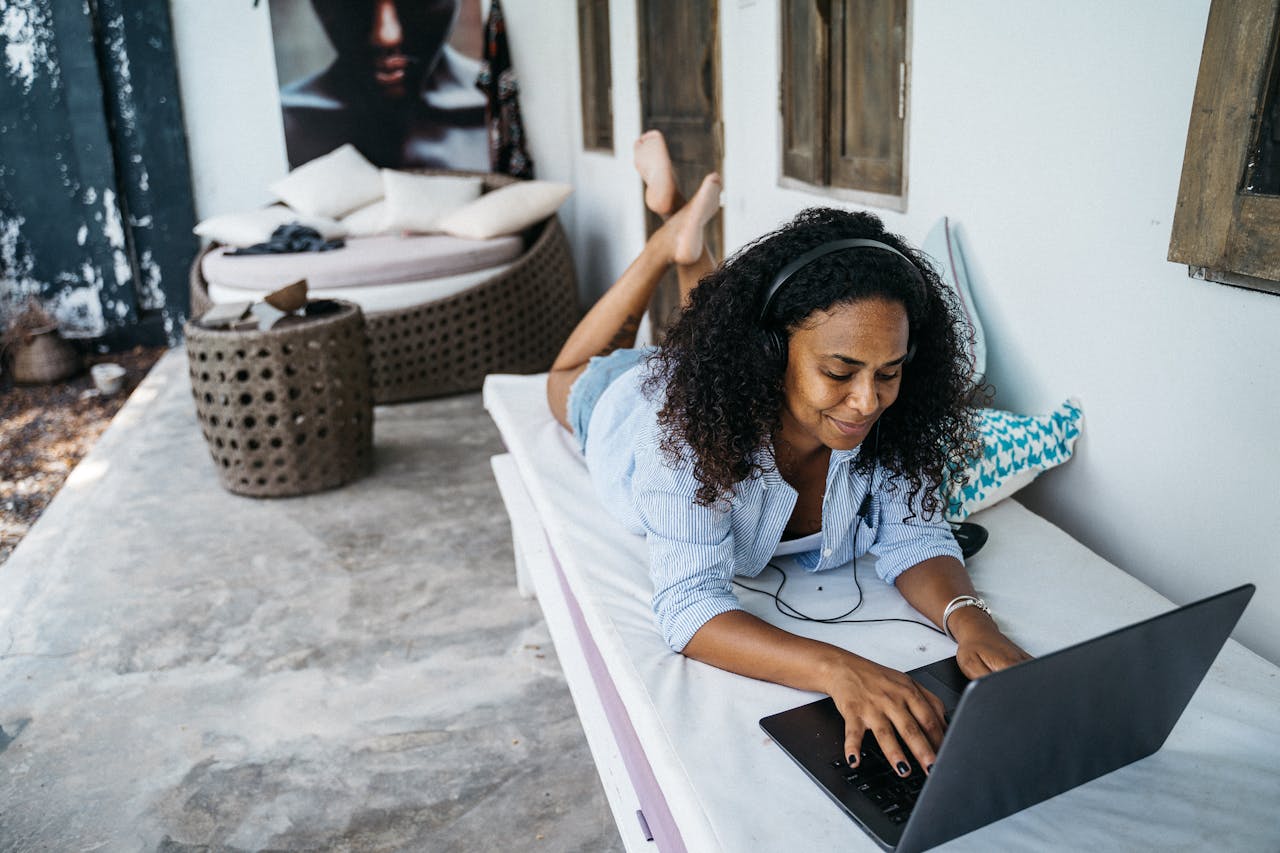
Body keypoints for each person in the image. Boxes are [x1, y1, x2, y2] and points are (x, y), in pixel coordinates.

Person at [545, 131, 1031, 779]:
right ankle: (666, 243)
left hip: (716, 369)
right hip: (628, 404)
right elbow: (690, 604)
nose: (866, 401)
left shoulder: (886, 418)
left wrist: (972, 623)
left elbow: (917, 535)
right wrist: (839, 667)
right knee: (566, 376)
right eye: (840, 370)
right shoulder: (690, 434)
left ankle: (682, 225)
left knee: (713, 329)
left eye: (889, 372)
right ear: (772, 358)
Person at [280, 0, 488, 170]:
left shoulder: (500, 105)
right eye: (356, 6)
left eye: (412, 5)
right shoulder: (283, 123)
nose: (386, 36)